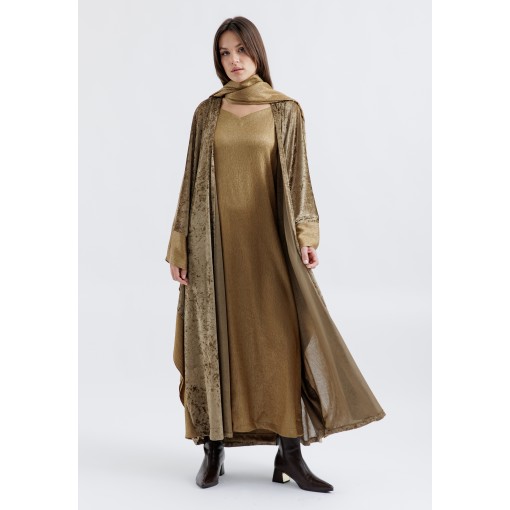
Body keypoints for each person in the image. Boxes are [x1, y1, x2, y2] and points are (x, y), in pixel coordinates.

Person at [165, 16, 386, 491]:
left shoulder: (285, 110)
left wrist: (307, 236)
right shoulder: (207, 112)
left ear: (257, 52)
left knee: (280, 341)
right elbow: (189, 183)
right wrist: (179, 245)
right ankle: (213, 449)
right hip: (213, 247)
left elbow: (299, 179)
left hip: (270, 244)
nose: (234, 60)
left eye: (241, 50)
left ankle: (290, 454)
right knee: (215, 342)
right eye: (224, 53)